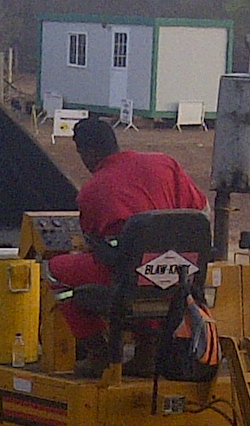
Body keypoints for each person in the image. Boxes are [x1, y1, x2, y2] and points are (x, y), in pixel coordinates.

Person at [47, 115, 206, 371]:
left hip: (132, 282)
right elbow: (200, 211)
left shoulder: (92, 191)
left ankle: (99, 353)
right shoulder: (165, 164)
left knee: (55, 270)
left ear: (87, 153)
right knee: (147, 271)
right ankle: (148, 352)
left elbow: (96, 248)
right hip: (180, 279)